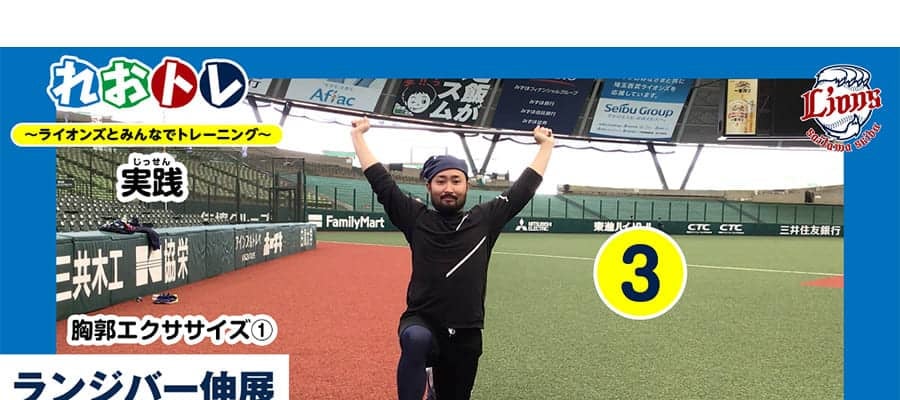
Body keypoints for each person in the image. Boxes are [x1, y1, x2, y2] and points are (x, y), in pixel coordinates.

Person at [350, 117, 554, 400]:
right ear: (429, 187)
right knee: (415, 340)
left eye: (456, 181)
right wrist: (358, 136)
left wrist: (546, 146)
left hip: (466, 331)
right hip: (422, 321)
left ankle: (435, 388)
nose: (449, 188)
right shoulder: (415, 218)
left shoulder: (485, 219)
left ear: (466, 185)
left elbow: (525, 188)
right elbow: (381, 182)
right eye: (441, 181)